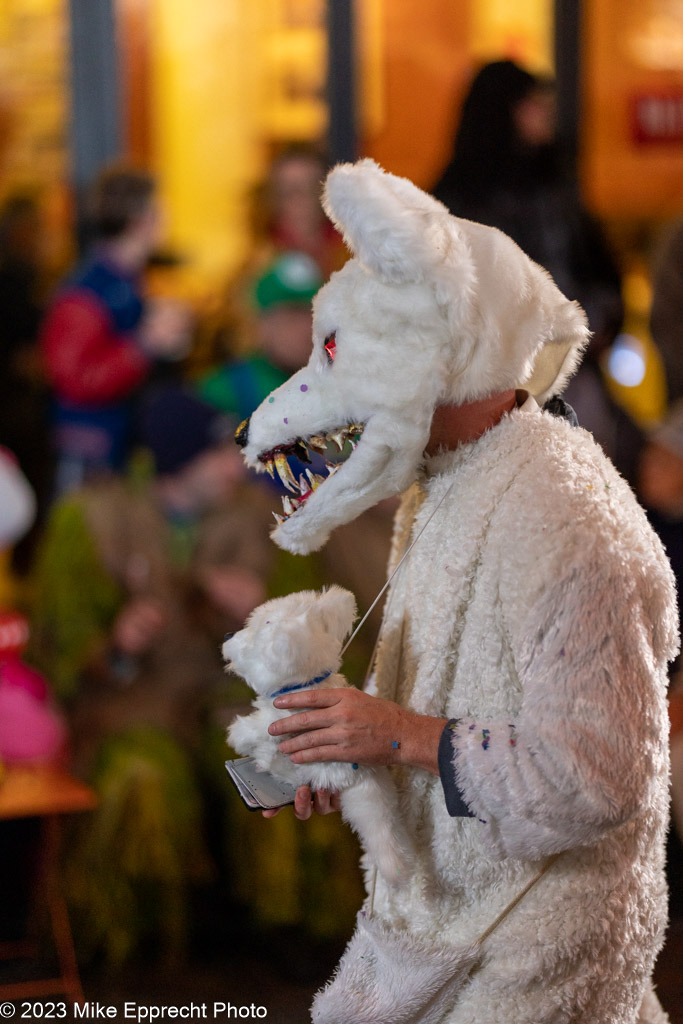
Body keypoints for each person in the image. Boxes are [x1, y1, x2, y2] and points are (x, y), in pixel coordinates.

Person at [236, 159, 677, 1022]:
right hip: (441, 933)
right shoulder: (449, 482)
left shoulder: (563, 518)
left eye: (350, 358)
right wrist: (357, 745)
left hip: (528, 963)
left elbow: (599, 775)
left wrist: (398, 736)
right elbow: (459, 704)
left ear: (437, 355)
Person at [28, 386, 273, 962]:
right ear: (177, 462)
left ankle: (279, 926)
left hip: (225, 698)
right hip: (131, 706)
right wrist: (117, 643)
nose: (233, 465)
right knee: (142, 781)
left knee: (275, 774)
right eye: (217, 454)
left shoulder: (256, 517)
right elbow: (56, 654)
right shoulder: (92, 521)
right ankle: (129, 941)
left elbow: (315, 635)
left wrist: (266, 614)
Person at [40, 164, 192, 496]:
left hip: (123, 443)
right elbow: (75, 380)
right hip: (92, 451)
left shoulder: (126, 281)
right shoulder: (85, 293)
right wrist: (145, 344)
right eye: (161, 209)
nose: (167, 220)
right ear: (141, 219)